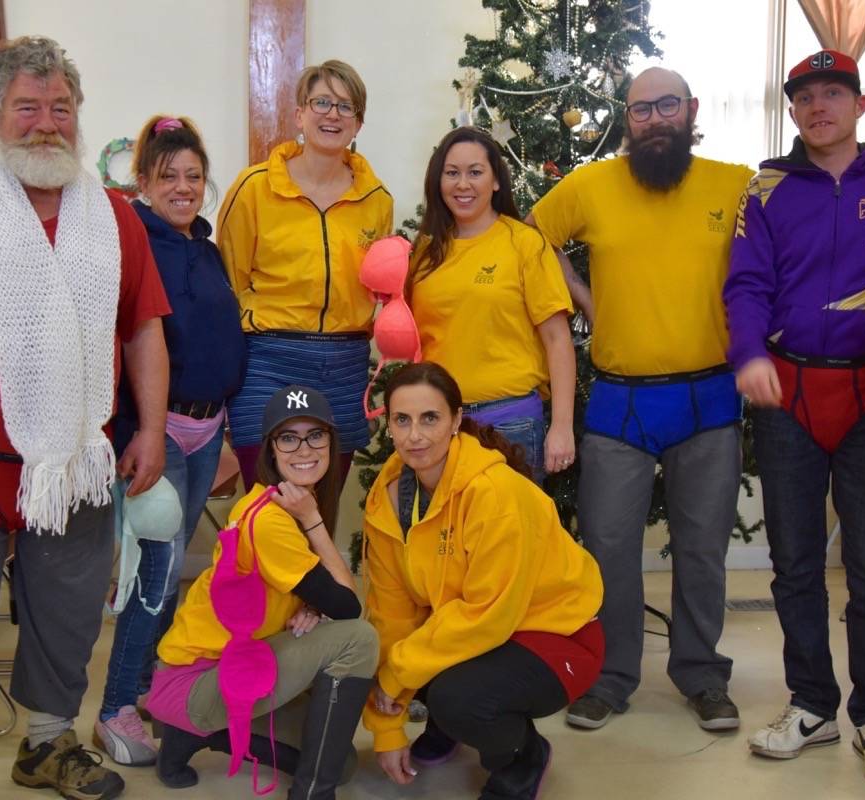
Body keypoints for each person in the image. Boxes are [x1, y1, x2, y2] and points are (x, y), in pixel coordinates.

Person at [0, 35, 172, 800]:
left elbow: (143, 327)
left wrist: (148, 429)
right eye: (27, 106)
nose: (46, 123)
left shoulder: (114, 215)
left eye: (60, 108)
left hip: (76, 459)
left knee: (68, 614)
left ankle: (48, 744)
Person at [528, 67, 753, 731]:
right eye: (641, 109)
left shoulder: (734, 182)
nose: (655, 118)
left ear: (691, 109)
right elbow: (529, 240)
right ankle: (611, 677)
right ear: (627, 120)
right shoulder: (591, 185)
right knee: (608, 547)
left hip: (709, 399)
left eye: (667, 106)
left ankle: (702, 675)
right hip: (619, 403)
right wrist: (586, 299)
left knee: (703, 547)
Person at [723, 49, 865, 784]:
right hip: (788, 399)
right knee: (796, 565)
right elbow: (745, 282)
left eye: (832, 94)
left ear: (860, 105)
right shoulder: (766, 188)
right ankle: (809, 704)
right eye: (804, 97)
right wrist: (749, 353)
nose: (818, 108)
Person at [362, 362, 604, 800]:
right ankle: (445, 723)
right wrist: (387, 728)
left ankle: (522, 757)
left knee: (459, 697)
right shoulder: (389, 494)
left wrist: (397, 677)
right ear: (389, 426)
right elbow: (391, 614)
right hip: (482, 626)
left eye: (430, 418)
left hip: (558, 634)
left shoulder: (495, 494)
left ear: (456, 420)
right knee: (417, 649)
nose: (415, 435)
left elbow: (486, 616)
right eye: (402, 420)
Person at [93, 114, 245, 766]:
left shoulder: (205, 248)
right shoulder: (133, 242)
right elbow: (127, 342)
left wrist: (229, 428)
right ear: (144, 183)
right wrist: (135, 434)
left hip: (209, 428)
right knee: (153, 575)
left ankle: (159, 687)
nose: (182, 188)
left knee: (177, 569)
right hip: (158, 434)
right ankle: (115, 706)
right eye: (168, 177)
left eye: (193, 176)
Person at [146, 384, 377, 800]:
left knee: (340, 764)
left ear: (330, 442)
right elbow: (348, 606)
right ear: (270, 449)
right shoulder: (275, 519)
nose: (303, 449)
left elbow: (322, 596)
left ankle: (196, 735)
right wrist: (314, 523)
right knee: (359, 640)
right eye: (288, 437)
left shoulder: (280, 503)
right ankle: (310, 793)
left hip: (235, 665)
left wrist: (313, 603)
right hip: (197, 680)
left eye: (315, 435)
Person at [219, 59, 393, 489]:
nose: (332, 114)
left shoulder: (377, 200)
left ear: (359, 124)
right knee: (268, 503)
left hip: (345, 364)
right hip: (268, 361)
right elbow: (229, 284)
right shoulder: (254, 188)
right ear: (299, 114)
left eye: (346, 107)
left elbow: (378, 287)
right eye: (321, 102)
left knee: (322, 506)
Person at [408, 126, 575, 480]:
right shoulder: (423, 253)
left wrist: (562, 427)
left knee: (509, 535)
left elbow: (558, 339)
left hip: (510, 423)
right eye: (451, 173)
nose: (462, 184)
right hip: (437, 427)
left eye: (475, 172)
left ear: (496, 181)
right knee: (443, 535)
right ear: (438, 181)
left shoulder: (525, 244)